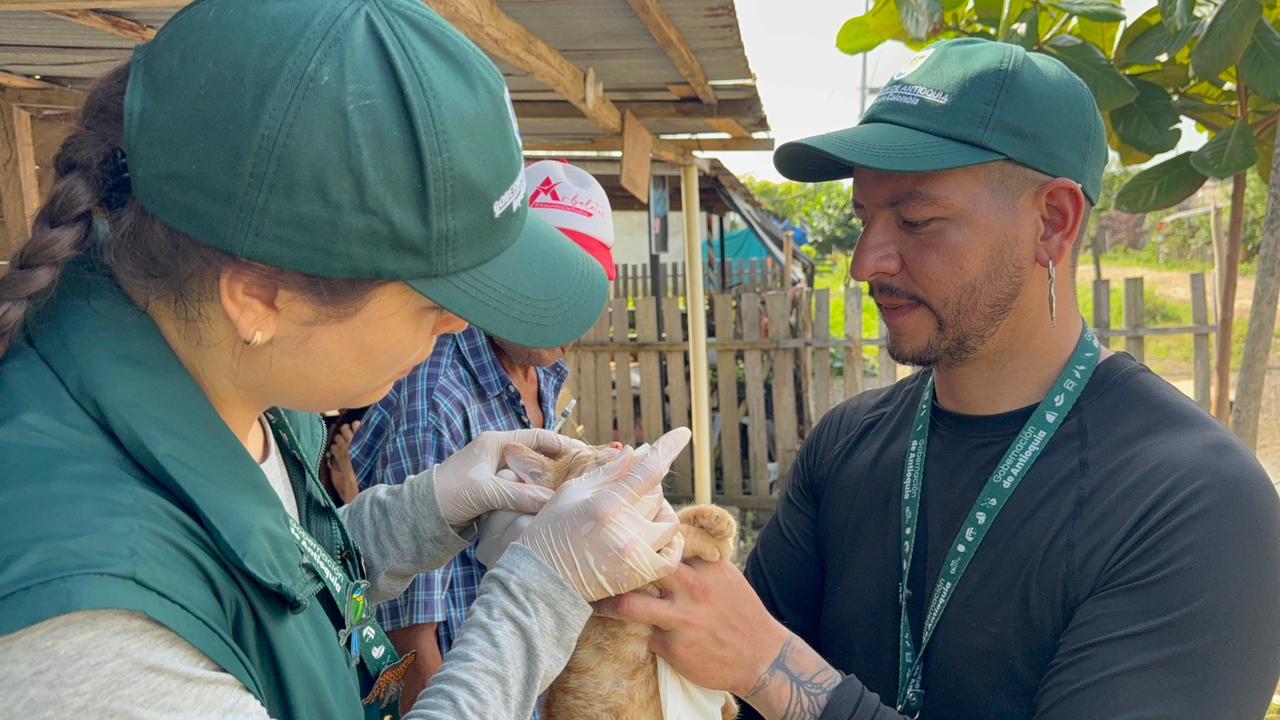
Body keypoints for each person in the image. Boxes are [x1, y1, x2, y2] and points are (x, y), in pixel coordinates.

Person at [0, 1, 686, 719]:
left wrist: (430, 505)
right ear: (260, 299)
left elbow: (273, 589)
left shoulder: (237, 384)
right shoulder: (95, 638)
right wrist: (545, 588)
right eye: (434, 300)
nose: (461, 324)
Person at [595, 38, 1280, 720]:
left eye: (916, 220)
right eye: (864, 218)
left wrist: (773, 670)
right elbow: (723, 691)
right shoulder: (846, 444)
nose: (866, 262)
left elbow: (753, 663)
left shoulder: (1196, 502)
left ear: (1052, 222)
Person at [350, 158, 619, 715]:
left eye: (586, 292)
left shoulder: (542, 371)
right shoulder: (436, 399)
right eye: (551, 287)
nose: (571, 318)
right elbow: (408, 638)